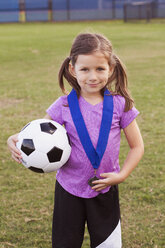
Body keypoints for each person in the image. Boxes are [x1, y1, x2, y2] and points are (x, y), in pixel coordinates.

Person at [7, 33, 144, 248]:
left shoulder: (120, 105)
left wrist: (122, 175)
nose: (93, 76)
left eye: (100, 69)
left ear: (111, 68)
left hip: (105, 188)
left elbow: (137, 146)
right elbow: (38, 135)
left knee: (107, 245)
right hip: (68, 189)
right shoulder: (63, 105)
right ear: (73, 69)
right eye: (85, 69)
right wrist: (13, 140)